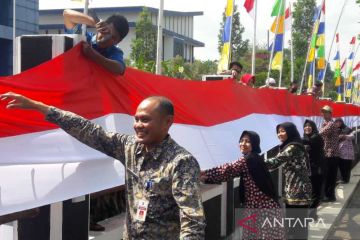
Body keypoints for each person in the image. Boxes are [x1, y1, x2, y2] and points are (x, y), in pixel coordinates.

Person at [0, 92, 206, 239]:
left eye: (145, 120)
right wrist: (39, 107)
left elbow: (192, 218)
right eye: (136, 119)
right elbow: (89, 131)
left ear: (167, 122)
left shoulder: (181, 162)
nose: (138, 125)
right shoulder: (130, 148)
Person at [201, 131, 285, 239]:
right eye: (241, 141)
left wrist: (205, 174)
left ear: (254, 144)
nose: (243, 144)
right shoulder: (256, 158)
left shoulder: (247, 159)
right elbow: (229, 172)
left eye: (247, 141)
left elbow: (227, 170)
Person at [264, 122, 312, 240]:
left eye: (283, 131)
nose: (279, 134)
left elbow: (276, 161)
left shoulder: (293, 147)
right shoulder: (291, 145)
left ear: (290, 132)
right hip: (294, 188)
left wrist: (254, 162)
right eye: (278, 131)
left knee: (297, 223)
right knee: (295, 223)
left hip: (298, 190)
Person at [63, 9, 129, 75]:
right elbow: (66, 14)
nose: (108, 38)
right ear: (103, 25)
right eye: (107, 31)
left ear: (118, 41)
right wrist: (94, 22)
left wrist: (93, 54)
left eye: (113, 37)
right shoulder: (83, 36)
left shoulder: (114, 51)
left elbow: (120, 69)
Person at [302, 119, 325, 219]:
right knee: (310, 192)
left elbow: (309, 142)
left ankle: (311, 214)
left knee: (316, 192)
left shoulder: (316, 137)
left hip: (317, 169)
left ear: (313, 127)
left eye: (309, 125)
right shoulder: (305, 137)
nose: (307, 127)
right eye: (305, 126)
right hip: (308, 169)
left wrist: (292, 139)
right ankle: (313, 214)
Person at [319, 105, 340, 202]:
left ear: (330, 114)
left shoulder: (330, 124)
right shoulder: (325, 123)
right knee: (328, 175)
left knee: (330, 176)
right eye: (323, 112)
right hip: (327, 153)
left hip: (331, 153)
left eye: (326, 112)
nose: (323, 114)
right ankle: (329, 195)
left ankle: (330, 195)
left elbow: (320, 134)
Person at [335, 118, 355, 184]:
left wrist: (344, 136)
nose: (338, 123)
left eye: (339, 122)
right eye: (336, 122)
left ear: (342, 122)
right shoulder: (335, 130)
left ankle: (346, 179)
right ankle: (343, 178)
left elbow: (352, 136)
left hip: (347, 151)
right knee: (341, 165)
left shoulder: (347, 129)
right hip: (339, 151)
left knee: (347, 166)